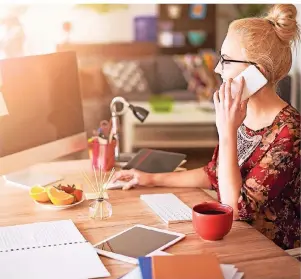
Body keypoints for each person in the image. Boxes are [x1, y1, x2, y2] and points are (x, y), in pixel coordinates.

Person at [112, 4, 300, 251]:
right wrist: (149, 178)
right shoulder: (241, 114)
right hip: (233, 240)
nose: (217, 69)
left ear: (259, 73)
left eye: (227, 61)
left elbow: (234, 207)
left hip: (270, 252)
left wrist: (226, 132)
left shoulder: (290, 132)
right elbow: (214, 173)